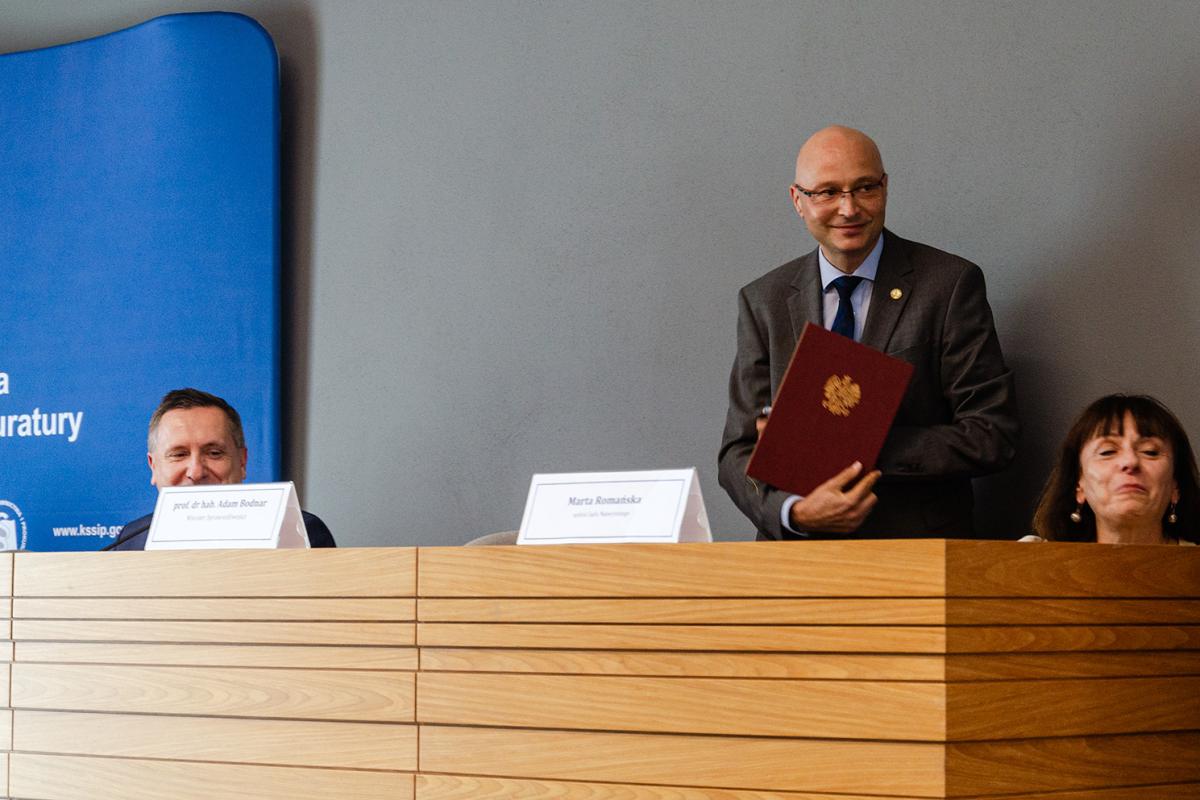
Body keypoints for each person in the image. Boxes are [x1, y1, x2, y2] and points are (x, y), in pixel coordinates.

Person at [718, 125, 1019, 539]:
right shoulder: (763, 301)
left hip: (916, 557)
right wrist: (795, 512)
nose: (848, 208)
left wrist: (852, 446)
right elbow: (738, 452)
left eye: (864, 188)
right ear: (798, 201)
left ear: (886, 187)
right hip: (797, 563)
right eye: (827, 192)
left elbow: (991, 434)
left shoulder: (948, 286)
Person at [108, 388, 335, 550]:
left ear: (242, 461)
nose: (196, 472)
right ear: (154, 467)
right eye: (179, 454)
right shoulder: (131, 540)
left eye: (214, 453)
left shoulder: (299, 531)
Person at [1029, 394, 1198, 544]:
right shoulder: (1028, 564)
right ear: (1079, 485)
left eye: (1150, 452)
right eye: (1107, 451)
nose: (1130, 462)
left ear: (1176, 486)